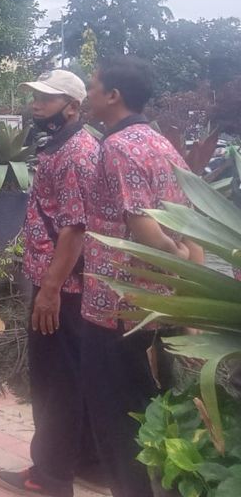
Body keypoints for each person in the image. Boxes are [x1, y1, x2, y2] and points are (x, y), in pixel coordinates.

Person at [81, 57, 190, 497]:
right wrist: (184, 272)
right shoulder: (161, 143)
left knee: (118, 415)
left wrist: (172, 253)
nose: (88, 94)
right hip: (156, 306)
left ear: (114, 96)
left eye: (93, 86)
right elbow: (186, 216)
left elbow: (139, 221)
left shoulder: (117, 146)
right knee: (148, 407)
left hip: (115, 307)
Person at [0, 70, 103, 497]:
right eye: (35, 97)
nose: (37, 104)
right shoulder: (61, 146)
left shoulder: (75, 153)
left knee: (55, 384)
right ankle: (82, 466)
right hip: (65, 285)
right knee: (70, 378)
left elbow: (74, 228)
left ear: (73, 107)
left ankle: (50, 476)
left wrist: (51, 289)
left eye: (48, 99)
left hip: (64, 291)